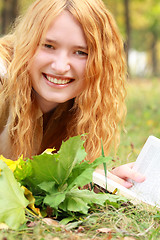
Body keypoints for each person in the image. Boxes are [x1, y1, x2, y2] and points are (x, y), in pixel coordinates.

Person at [0, 0, 144, 187]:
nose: (60, 67)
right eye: (48, 46)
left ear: (101, 61)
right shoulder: (3, 75)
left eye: (80, 52)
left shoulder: (80, 107)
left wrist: (93, 179)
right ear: (28, 42)